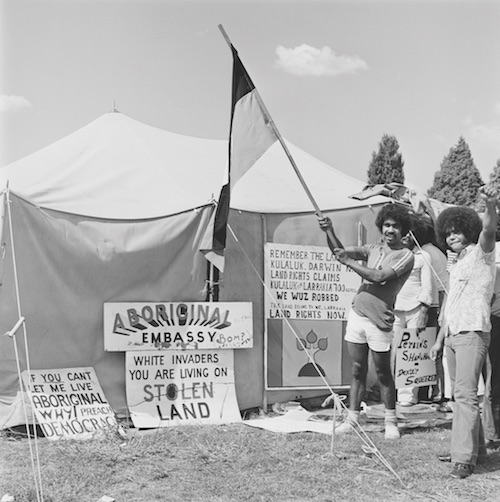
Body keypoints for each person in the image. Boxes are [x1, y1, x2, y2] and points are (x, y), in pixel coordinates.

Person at [319, 203, 414, 440]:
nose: (390, 230)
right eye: (387, 225)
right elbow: (340, 252)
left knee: (383, 373)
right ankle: (352, 419)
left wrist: (348, 262)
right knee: (357, 369)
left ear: (403, 230)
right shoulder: (373, 248)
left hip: (379, 322)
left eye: (396, 226)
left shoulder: (406, 256)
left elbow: (379, 277)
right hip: (357, 315)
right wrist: (329, 231)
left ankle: (390, 422)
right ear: (381, 227)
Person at [430, 185, 498, 479]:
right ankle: (476, 450)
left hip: (473, 332)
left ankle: (463, 458)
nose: (451, 236)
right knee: (460, 396)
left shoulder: (483, 254)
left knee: (465, 396)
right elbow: (451, 305)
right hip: (455, 335)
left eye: (457, 230)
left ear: (469, 230)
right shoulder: (455, 265)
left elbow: (490, 228)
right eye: (447, 232)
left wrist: (491, 204)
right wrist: (439, 340)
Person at [393, 214, 436, 406]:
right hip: (393, 308)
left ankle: (407, 397)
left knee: (411, 353)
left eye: (409, 233)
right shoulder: (392, 253)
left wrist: (424, 312)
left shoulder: (423, 256)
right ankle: (391, 394)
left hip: (415, 308)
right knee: (392, 351)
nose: (405, 237)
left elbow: (427, 287)